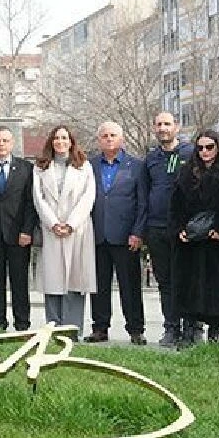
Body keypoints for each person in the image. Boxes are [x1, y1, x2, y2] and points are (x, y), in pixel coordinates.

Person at [171, 130, 219, 345]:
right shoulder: (186, 174)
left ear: (217, 147)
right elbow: (175, 206)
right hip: (191, 241)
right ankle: (188, 332)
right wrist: (180, 230)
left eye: (209, 147)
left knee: (216, 290)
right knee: (189, 287)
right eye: (200, 147)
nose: (205, 152)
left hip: (216, 242)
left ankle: (214, 334)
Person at [87, 121, 148, 344]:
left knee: (130, 285)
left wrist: (138, 232)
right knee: (99, 285)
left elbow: (143, 202)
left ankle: (135, 329)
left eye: (113, 135)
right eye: (104, 136)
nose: (109, 139)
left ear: (121, 139)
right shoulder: (89, 165)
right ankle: (100, 328)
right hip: (97, 234)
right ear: (99, 140)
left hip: (126, 236)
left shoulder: (136, 166)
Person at [32, 125, 96, 334]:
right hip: (51, 230)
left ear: (71, 141)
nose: (60, 142)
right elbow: (38, 197)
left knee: (75, 280)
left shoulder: (83, 166)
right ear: (51, 142)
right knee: (52, 281)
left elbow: (89, 197)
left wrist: (71, 224)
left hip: (77, 231)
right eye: (56, 138)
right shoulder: (40, 167)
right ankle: (53, 327)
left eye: (64, 138)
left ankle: (72, 329)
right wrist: (53, 223)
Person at [0, 125, 38, 331]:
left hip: (18, 235)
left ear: (12, 143)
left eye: (4, 141)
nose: (0, 144)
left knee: (20, 282)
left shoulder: (26, 169)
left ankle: (22, 323)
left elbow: (31, 203)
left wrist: (27, 231)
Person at [141, 111, 194, 347]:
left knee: (187, 280)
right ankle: (171, 328)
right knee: (165, 281)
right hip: (157, 227)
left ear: (177, 126)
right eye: (159, 124)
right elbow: (144, 195)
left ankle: (192, 328)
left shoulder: (190, 154)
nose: (163, 128)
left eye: (167, 124)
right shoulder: (151, 159)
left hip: (184, 229)